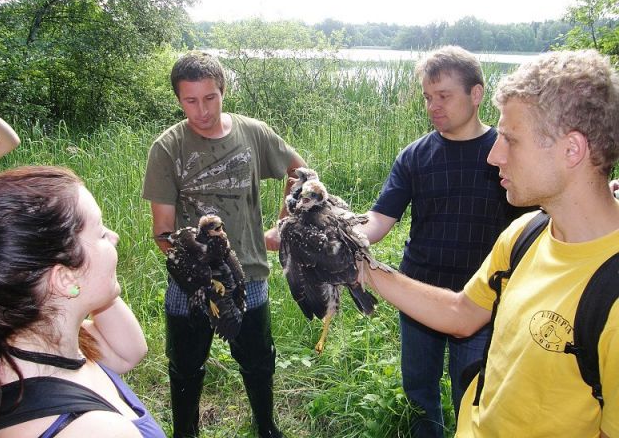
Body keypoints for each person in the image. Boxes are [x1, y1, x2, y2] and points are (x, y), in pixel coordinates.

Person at [365, 49, 619, 437]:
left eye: (511, 141)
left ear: (572, 149)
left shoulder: (610, 293)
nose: (495, 156)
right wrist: (355, 262)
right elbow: (460, 314)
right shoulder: (524, 235)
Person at [357, 46, 519, 437]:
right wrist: (340, 235)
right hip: (420, 295)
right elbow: (380, 217)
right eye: (429, 97)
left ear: (476, 93)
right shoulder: (415, 155)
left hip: (483, 302)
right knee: (418, 390)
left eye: (443, 95)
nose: (433, 106)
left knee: (473, 393)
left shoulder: (504, 154)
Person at [142, 51, 305, 438]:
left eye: (210, 98)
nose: (202, 110)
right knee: (185, 363)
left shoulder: (254, 132)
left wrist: (280, 226)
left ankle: (266, 428)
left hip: (247, 271)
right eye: (191, 101)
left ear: (223, 91)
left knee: (258, 360)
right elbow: (163, 230)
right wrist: (196, 268)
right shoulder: (167, 148)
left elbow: (299, 171)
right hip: (192, 281)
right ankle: (186, 433)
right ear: (179, 100)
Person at [0, 166, 165, 438]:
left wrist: (93, 285)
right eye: (102, 233)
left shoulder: (15, 338)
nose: (114, 237)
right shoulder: (96, 432)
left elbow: (129, 352)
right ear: (64, 279)